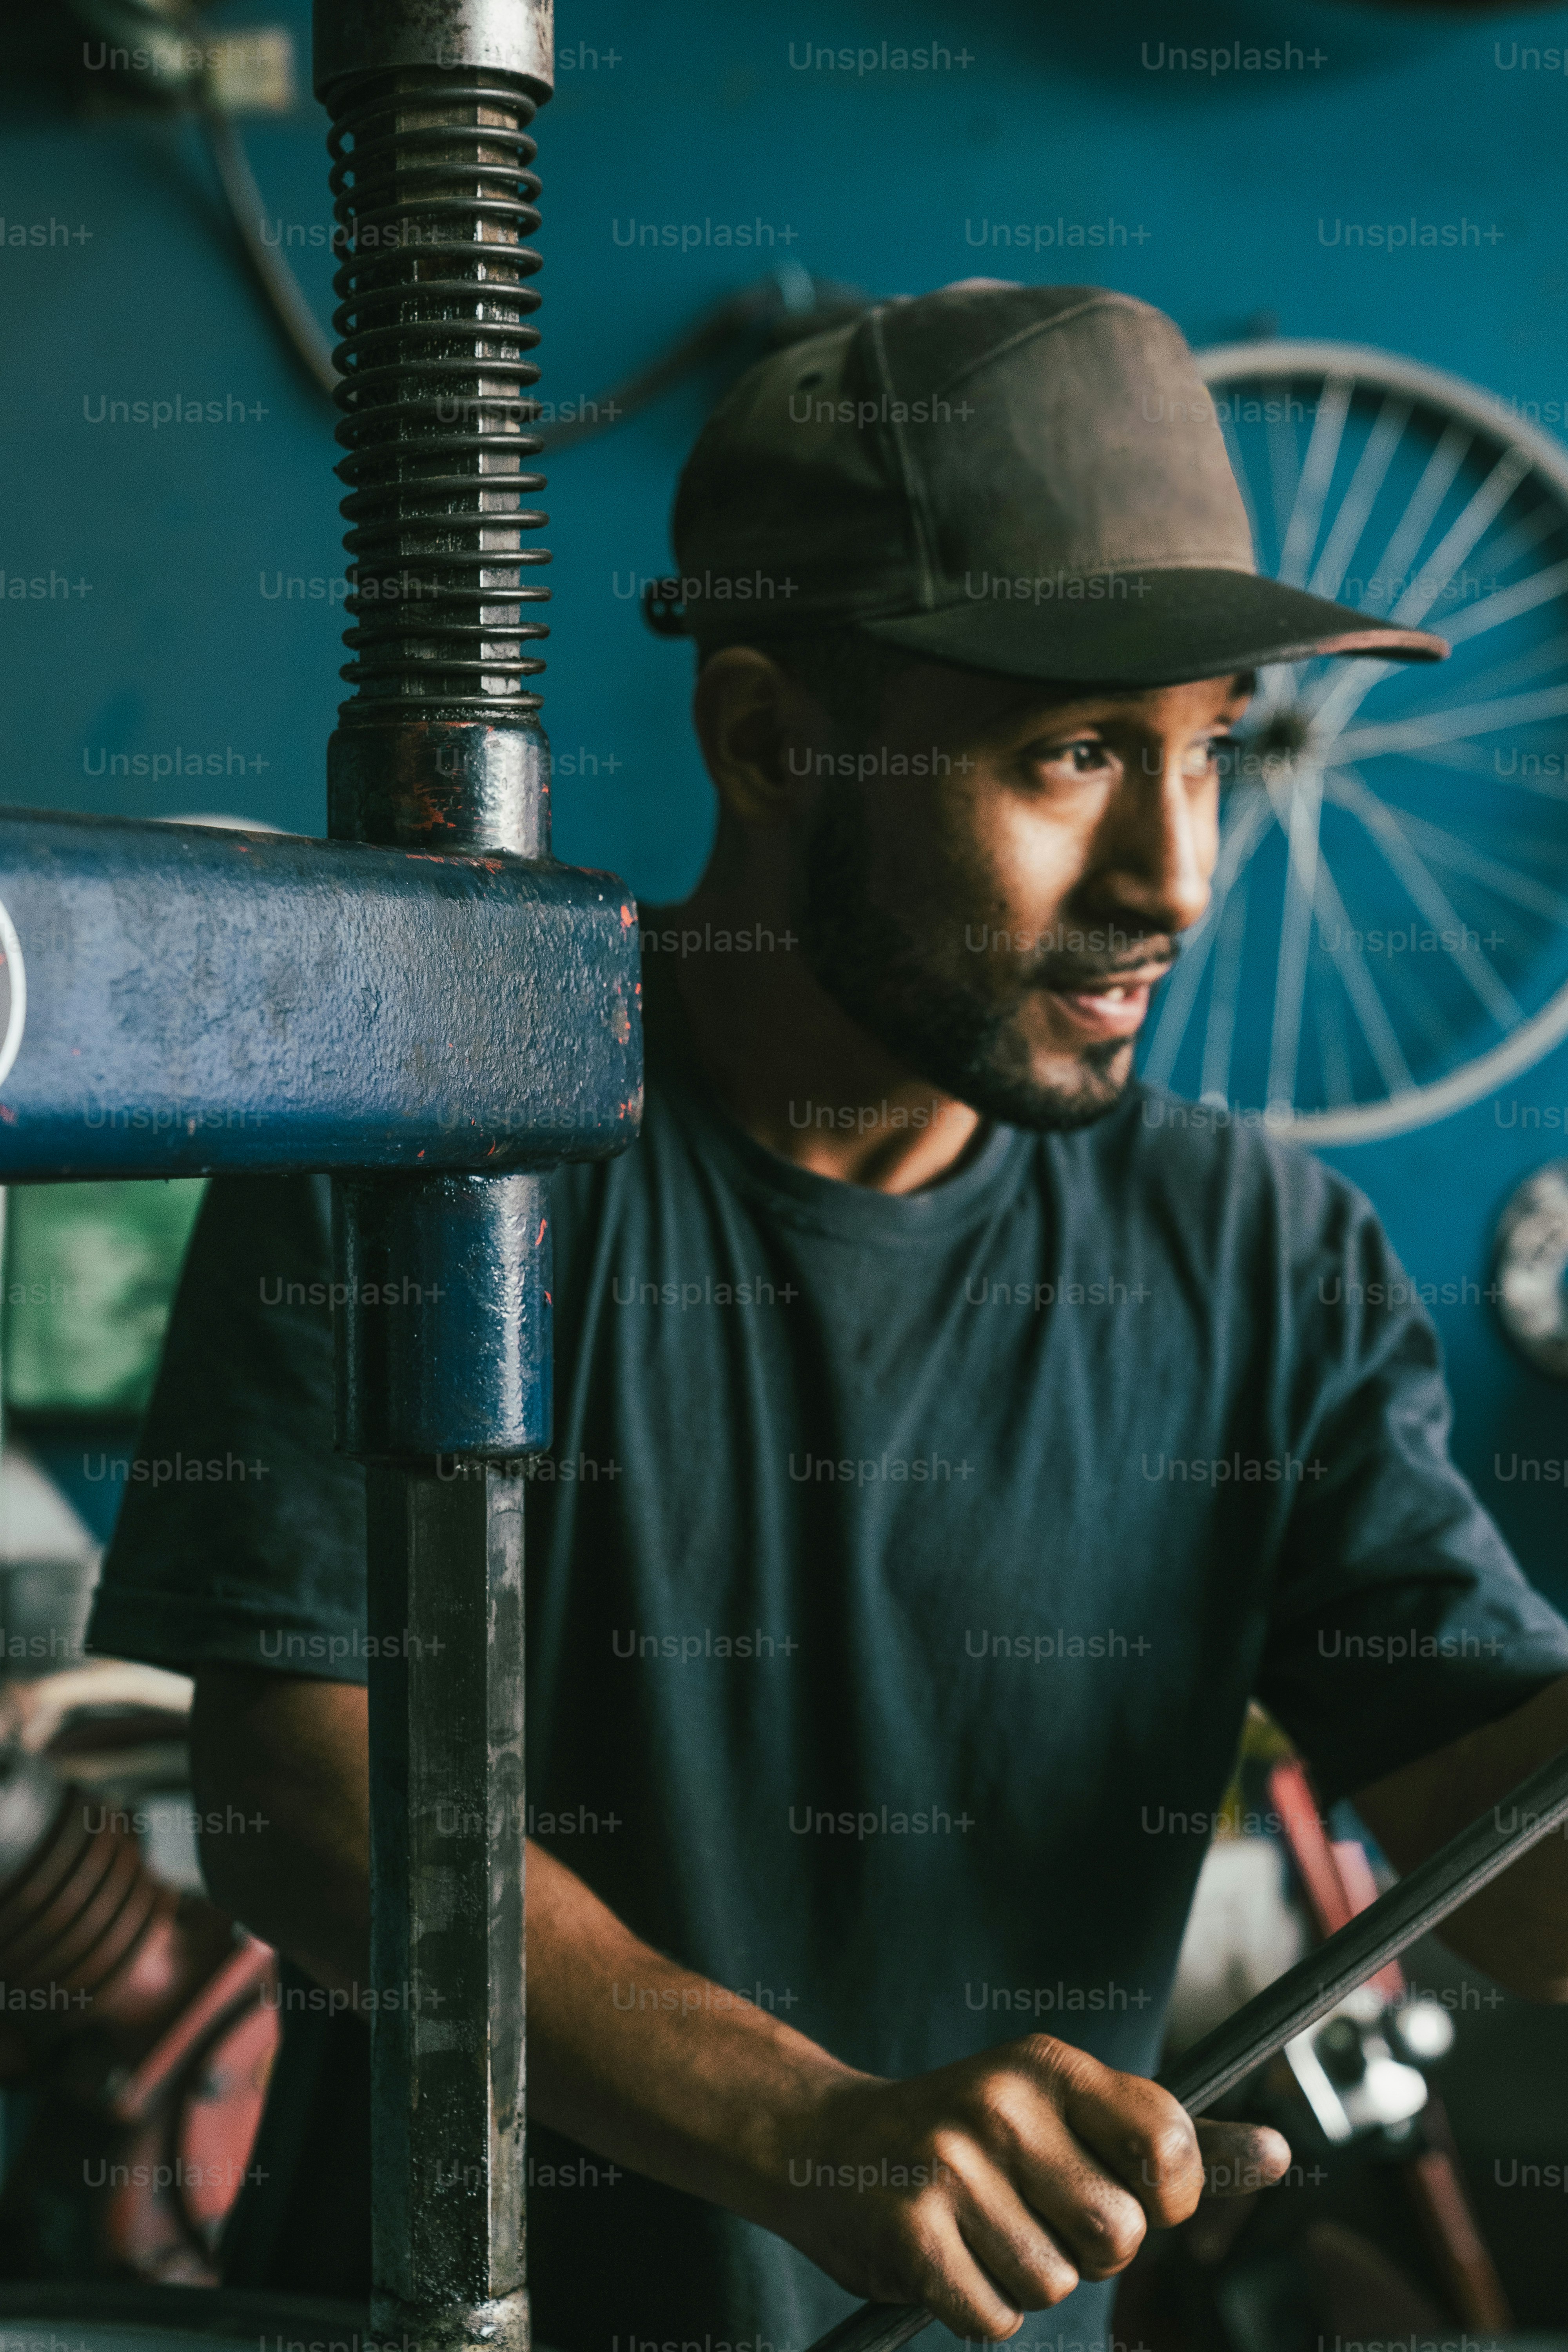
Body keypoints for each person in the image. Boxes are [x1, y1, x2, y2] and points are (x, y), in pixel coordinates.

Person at [88, 283, 1568, 2352]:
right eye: (1073, 757)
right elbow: (292, 1789)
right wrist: (813, 2134)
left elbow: (1501, 1850)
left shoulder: (1267, 1266)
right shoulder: (428, 1123)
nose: (1176, 875)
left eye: (1211, 757)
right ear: (773, 739)